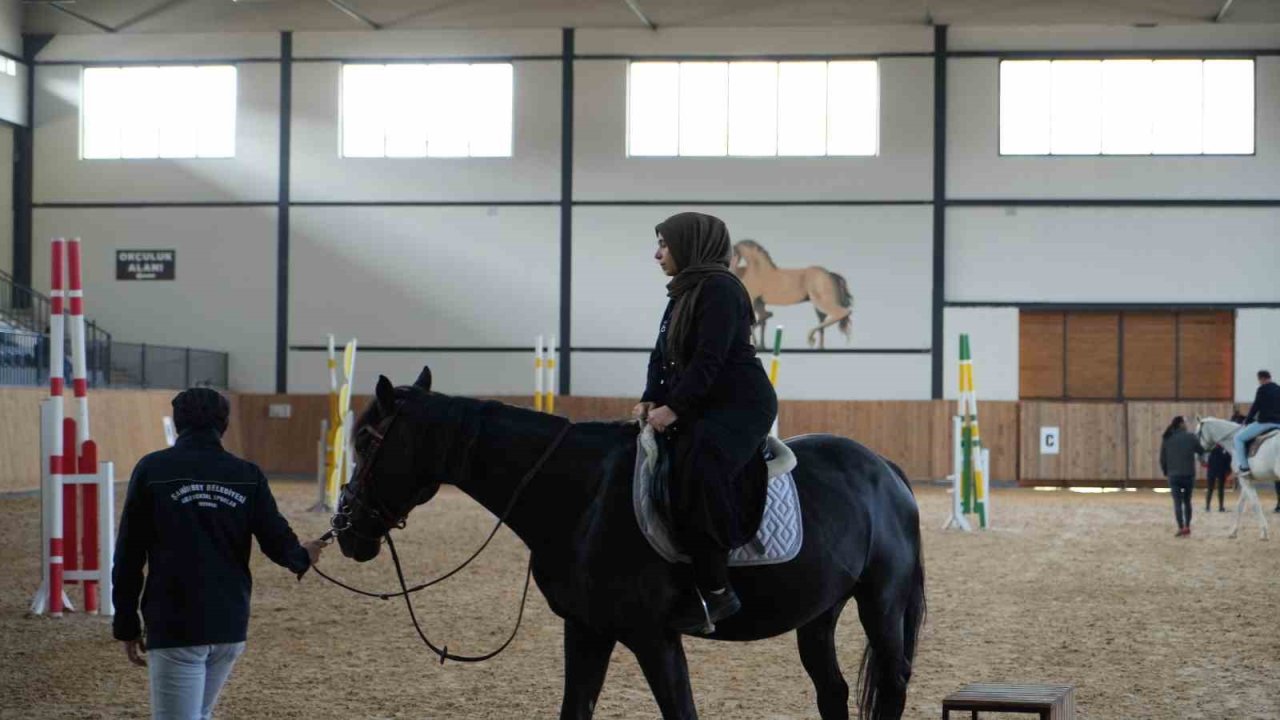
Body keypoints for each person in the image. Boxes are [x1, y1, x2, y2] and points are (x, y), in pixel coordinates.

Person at [112, 387, 328, 720]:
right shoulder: (247, 475)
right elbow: (277, 541)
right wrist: (303, 556)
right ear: (223, 424)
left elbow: (128, 552)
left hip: (175, 623)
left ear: (178, 423)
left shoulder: (152, 470)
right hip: (228, 624)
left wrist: (126, 622)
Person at [632, 212, 778, 633]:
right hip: (702, 401)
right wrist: (650, 397)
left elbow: (709, 360)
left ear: (690, 246)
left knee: (699, 465)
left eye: (664, 244)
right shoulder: (681, 292)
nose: (657, 253)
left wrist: (674, 407)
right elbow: (661, 355)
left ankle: (716, 589)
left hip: (739, 405)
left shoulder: (721, 289)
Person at [1235, 370, 1280, 484]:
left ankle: (1244, 468)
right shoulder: (1278, 389)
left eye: (1259, 381)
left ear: (1262, 379)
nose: (1259, 383)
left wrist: (1247, 420)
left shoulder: (1262, 389)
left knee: (1238, 438)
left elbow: (1256, 406)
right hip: (1278, 424)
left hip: (1264, 423)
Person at [1204, 441, 1231, 513]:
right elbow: (1228, 461)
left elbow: (1206, 461)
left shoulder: (1211, 450)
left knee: (1210, 489)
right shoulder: (1225, 450)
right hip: (1220, 471)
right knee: (1220, 490)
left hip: (1212, 471)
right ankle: (1221, 507)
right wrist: (1228, 471)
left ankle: (1207, 507)